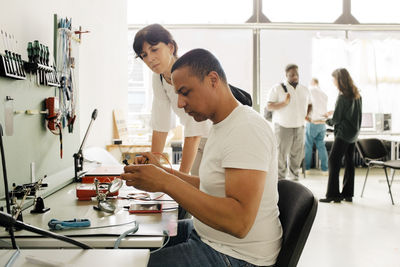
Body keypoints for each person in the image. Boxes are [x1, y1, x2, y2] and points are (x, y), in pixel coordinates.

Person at [122, 49, 282, 267]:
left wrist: (165, 182)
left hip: (237, 256)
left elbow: (239, 222)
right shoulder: (221, 124)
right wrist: (162, 172)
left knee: (130, 264)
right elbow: (210, 186)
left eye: (185, 92)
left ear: (212, 80)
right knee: (133, 239)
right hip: (206, 234)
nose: (179, 103)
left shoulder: (247, 128)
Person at [133, 24, 210, 175]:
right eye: (144, 55)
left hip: (215, 137)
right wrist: (151, 167)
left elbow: (194, 133)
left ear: (171, 47)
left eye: (154, 50)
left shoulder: (189, 72)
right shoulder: (159, 78)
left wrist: (180, 178)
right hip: (199, 139)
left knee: (192, 187)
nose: (150, 59)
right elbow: (160, 127)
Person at [320, 68, 362, 203]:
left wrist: (325, 120)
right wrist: (335, 111)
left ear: (340, 80)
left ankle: (333, 195)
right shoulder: (356, 94)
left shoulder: (342, 96)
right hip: (353, 133)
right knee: (350, 162)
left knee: (333, 160)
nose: (333, 83)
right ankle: (348, 194)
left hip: (343, 134)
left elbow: (337, 119)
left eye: (334, 80)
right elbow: (352, 113)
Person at [267, 64, 312, 180]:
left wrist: (307, 115)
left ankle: (294, 176)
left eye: (296, 74)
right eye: (292, 75)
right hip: (283, 126)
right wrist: (284, 103)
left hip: (300, 126)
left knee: (297, 154)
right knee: (281, 154)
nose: (295, 77)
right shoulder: (278, 88)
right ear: (286, 75)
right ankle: (280, 178)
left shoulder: (304, 89)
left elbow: (310, 104)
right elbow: (269, 106)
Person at [305, 78, 329, 174]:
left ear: (312, 83)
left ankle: (306, 169)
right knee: (321, 146)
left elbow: (306, 105)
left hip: (313, 122)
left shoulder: (310, 90)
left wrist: (305, 117)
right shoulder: (324, 94)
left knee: (308, 146)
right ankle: (325, 169)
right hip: (322, 123)